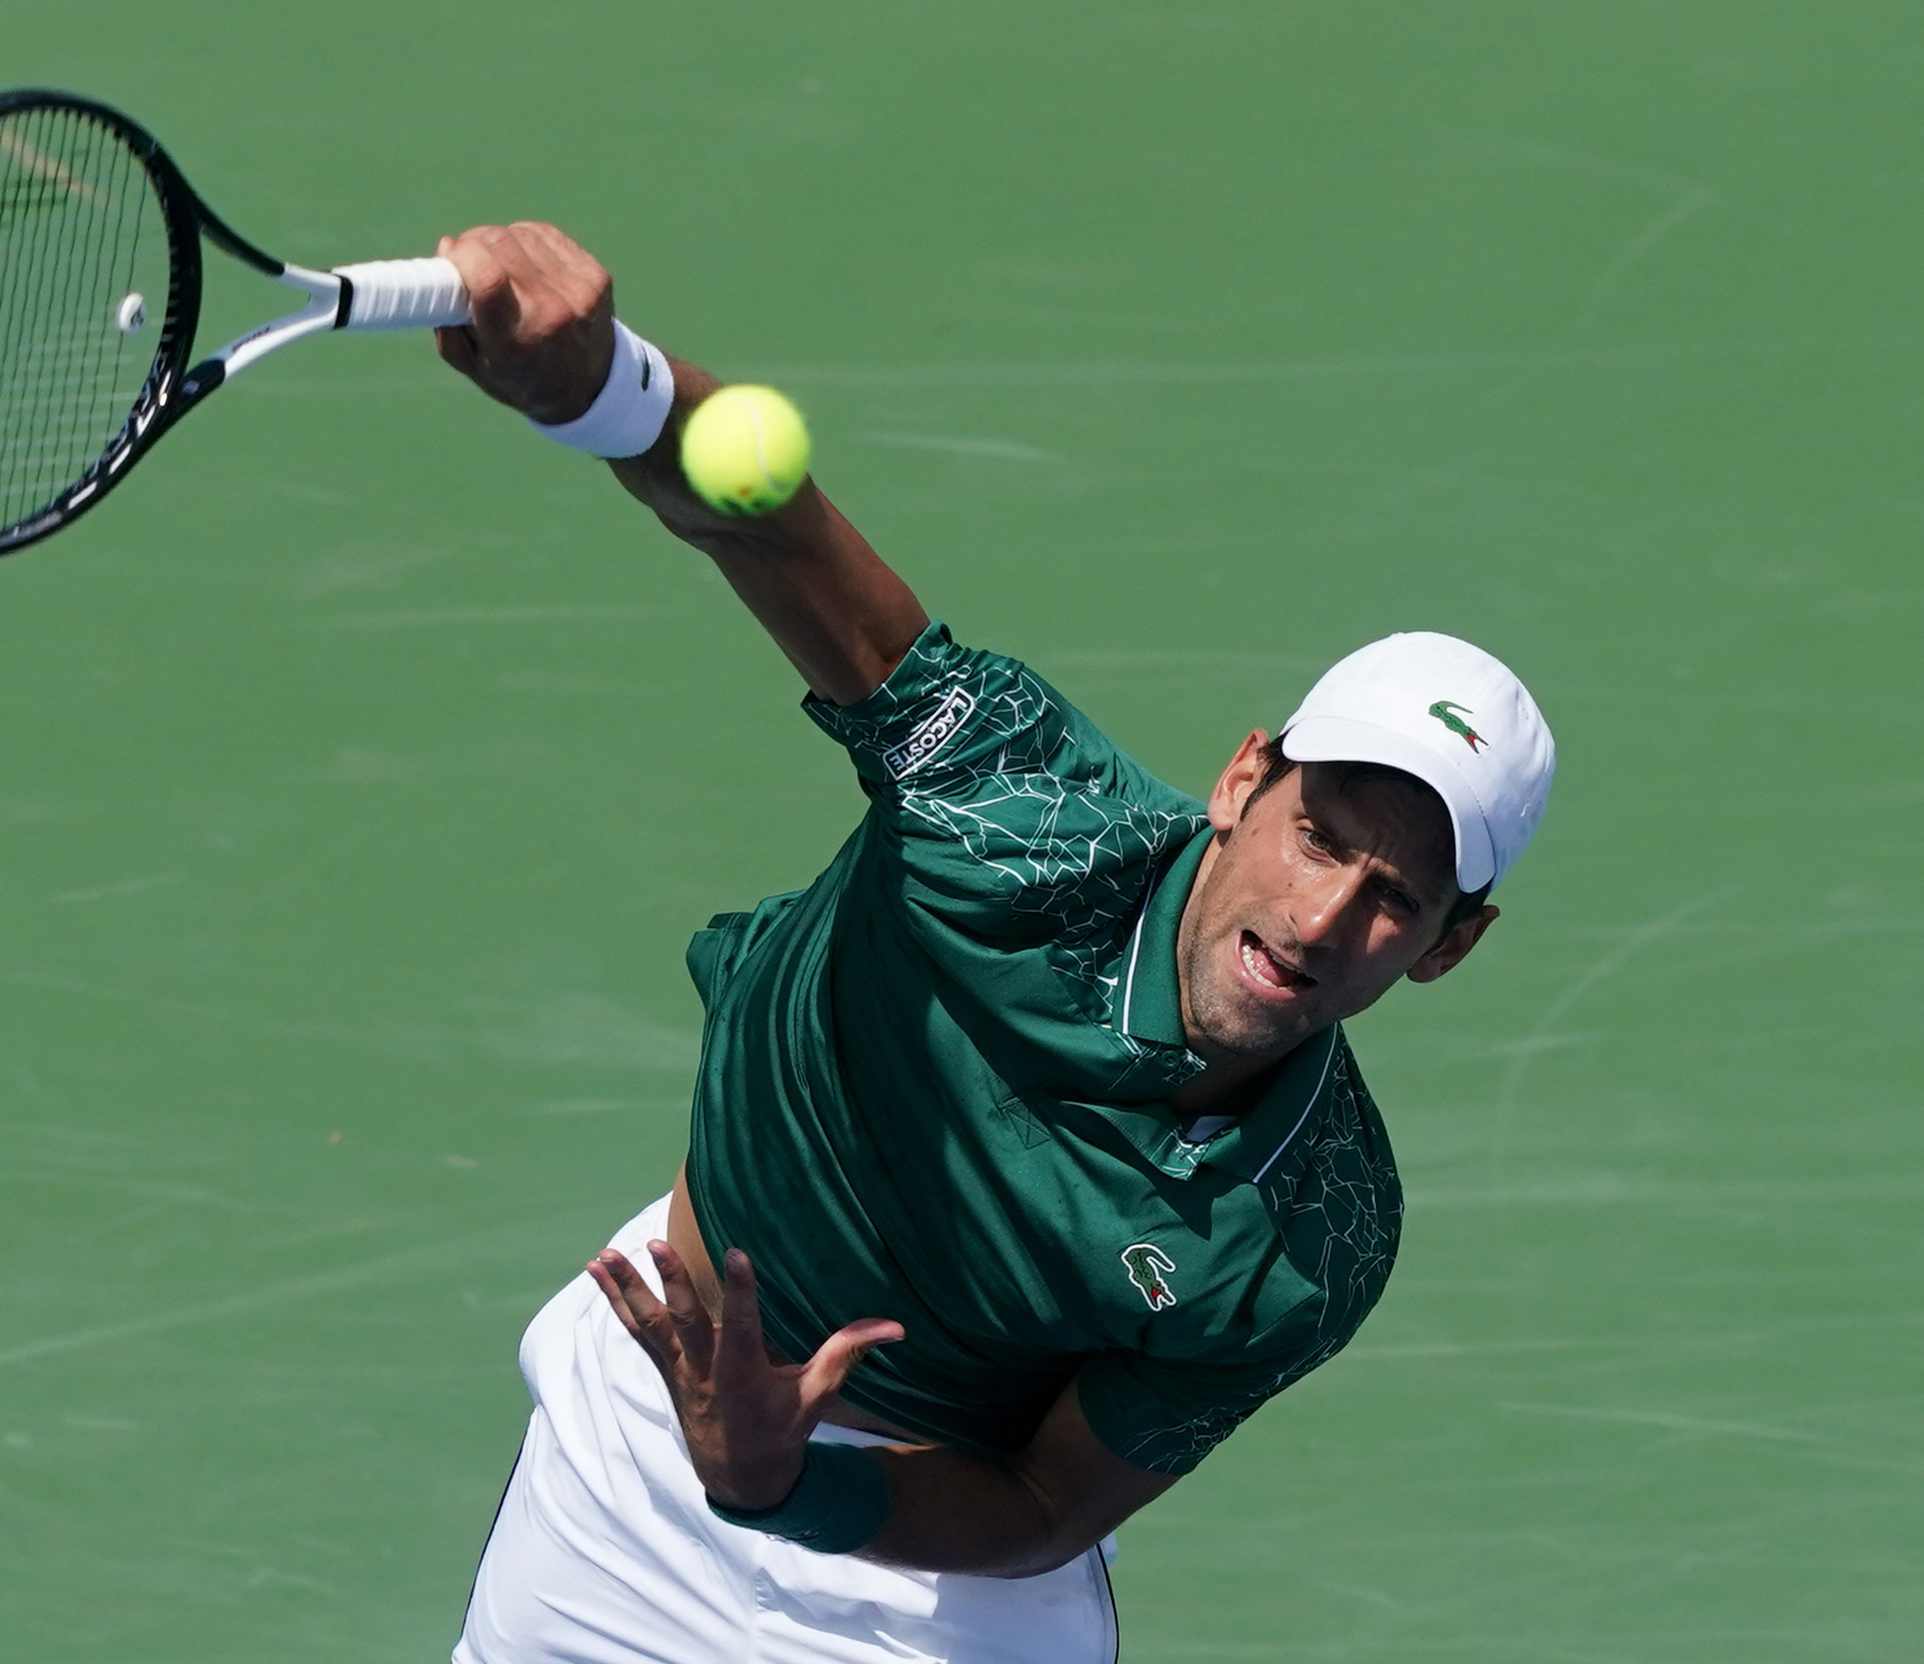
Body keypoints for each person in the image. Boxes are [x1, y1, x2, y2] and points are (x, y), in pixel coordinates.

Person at [429, 223, 1557, 1664]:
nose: (1323, 917)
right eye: (1321, 836)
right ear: (1242, 782)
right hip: (635, 1454)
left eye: (1397, 899)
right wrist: (605, 388)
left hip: (921, 1590)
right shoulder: (1011, 801)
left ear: (1450, 948)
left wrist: (787, 1484)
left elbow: (1041, 1502)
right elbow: (769, 526)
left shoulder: (1314, 1229)